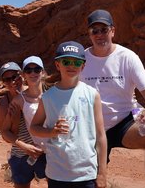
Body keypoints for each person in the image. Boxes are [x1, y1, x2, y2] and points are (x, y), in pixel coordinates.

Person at [80, 9, 145, 188]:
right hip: (91, 126)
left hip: (125, 122)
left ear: (112, 31)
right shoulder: (81, 59)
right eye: (94, 31)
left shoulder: (128, 57)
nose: (99, 35)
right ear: (89, 34)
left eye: (104, 29)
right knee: (93, 182)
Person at [30, 41, 107, 188]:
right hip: (57, 173)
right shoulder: (48, 97)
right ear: (58, 65)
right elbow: (34, 127)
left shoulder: (92, 95)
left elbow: (101, 135)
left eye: (76, 62)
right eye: (66, 61)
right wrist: (52, 132)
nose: (71, 66)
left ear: (83, 66)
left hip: (86, 174)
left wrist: (102, 172)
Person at [0, 61, 46, 188]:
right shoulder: (3, 104)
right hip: (20, 153)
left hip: (44, 151)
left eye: (15, 76)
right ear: (3, 82)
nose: (12, 81)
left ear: (22, 75)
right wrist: (24, 147)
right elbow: (5, 135)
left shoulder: (34, 93)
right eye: (7, 79)